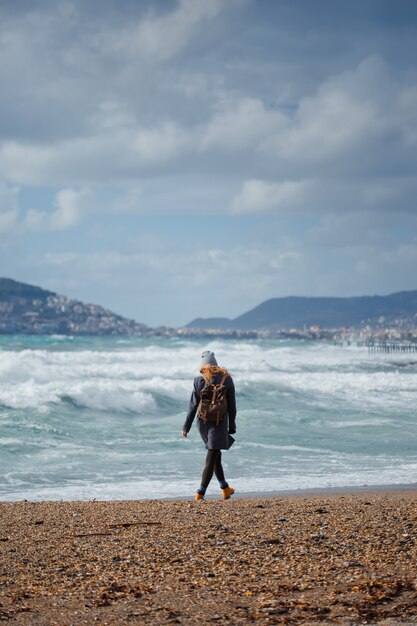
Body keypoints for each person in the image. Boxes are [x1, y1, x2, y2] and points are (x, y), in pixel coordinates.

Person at [182, 350, 237, 501]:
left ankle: (225, 488)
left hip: (202, 423)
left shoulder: (198, 380)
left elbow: (193, 406)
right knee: (213, 454)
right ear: (216, 364)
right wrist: (232, 425)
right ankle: (200, 493)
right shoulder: (227, 379)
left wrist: (186, 427)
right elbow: (232, 406)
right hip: (219, 422)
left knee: (215, 454)